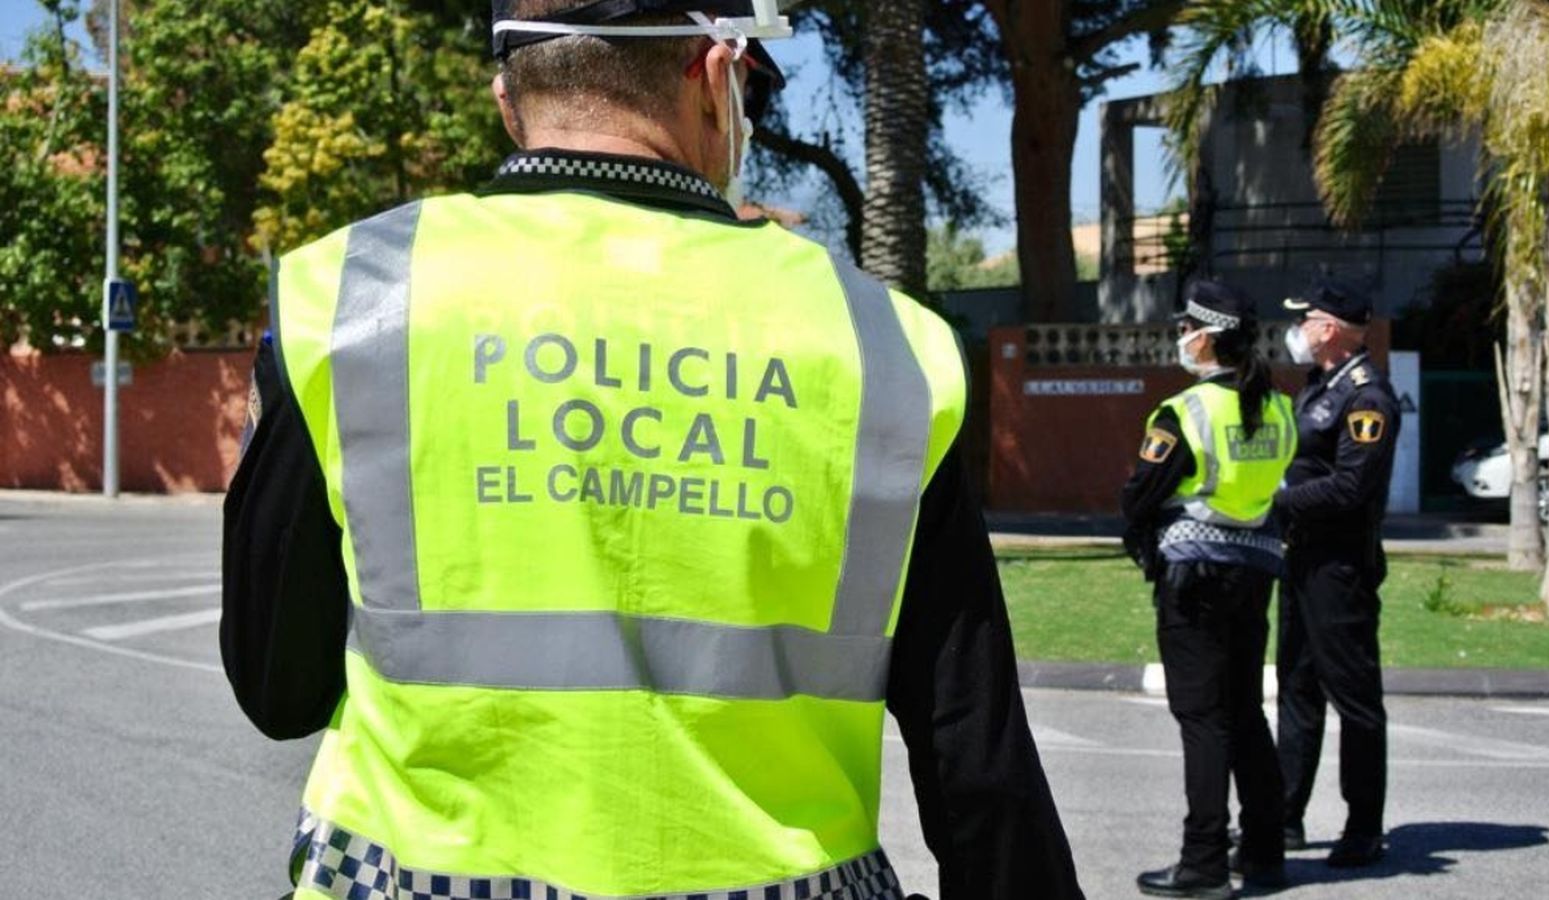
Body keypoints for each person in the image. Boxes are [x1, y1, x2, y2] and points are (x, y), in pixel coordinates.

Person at [220, 2, 1083, 899]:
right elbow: (977, 767)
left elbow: (276, 688)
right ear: (714, 80)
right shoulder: (879, 345)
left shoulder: (345, 296)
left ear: (508, 100)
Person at [1122, 280, 1297, 899]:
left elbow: (1140, 493)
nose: (1180, 339)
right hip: (1255, 572)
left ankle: (1203, 864)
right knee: (1244, 710)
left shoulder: (1186, 410)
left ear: (1207, 335)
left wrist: (1138, 527)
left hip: (1193, 578)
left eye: (1185, 329)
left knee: (1202, 720)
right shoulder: (1277, 405)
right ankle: (1266, 852)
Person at [1274, 279, 1400, 868]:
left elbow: (1353, 486)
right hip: (1301, 559)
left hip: (1340, 568)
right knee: (1296, 691)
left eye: (1305, 320)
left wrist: (1276, 501)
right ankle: (1285, 816)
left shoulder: (1366, 397)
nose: (1297, 331)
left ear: (1328, 329)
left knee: (1354, 699)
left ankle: (1363, 826)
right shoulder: (1318, 386)